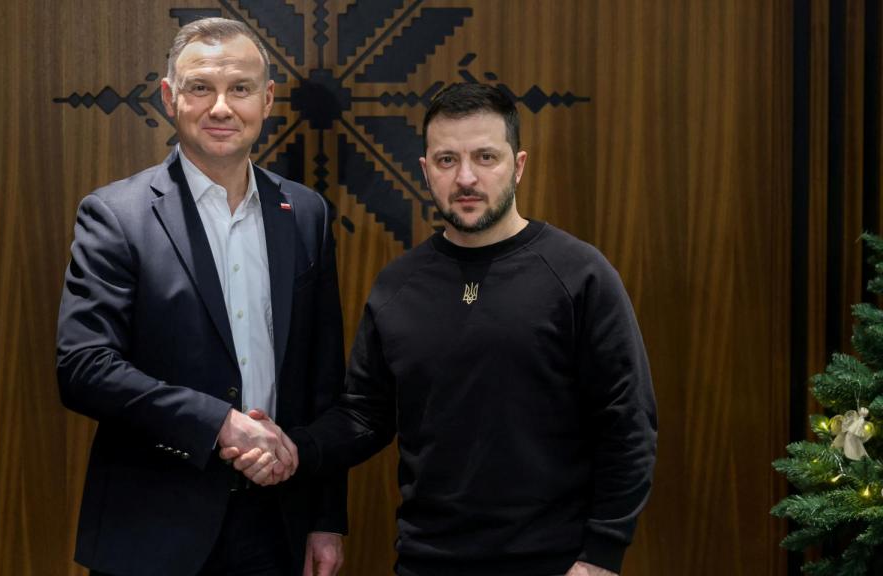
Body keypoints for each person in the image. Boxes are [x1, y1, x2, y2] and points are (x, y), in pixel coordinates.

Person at [225, 83, 657, 576]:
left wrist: (602, 554)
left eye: (485, 157)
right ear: (426, 171)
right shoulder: (398, 285)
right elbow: (364, 416)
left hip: (555, 563)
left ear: (517, 166)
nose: (466, 177)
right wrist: (293, 446)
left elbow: (628, 425)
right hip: (426, 560)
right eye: (448, 160)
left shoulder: (580, 274)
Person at [56, 17, 346, 576]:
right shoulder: (116, 216)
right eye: (200, 88)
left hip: (277, 522)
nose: (221, 108)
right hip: (153, 528)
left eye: (239, 89)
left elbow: (322, 379)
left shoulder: (306, 214)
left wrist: (325, 518)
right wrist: (220, 423)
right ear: (170, 97)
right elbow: (83, 367)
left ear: (265, 101)